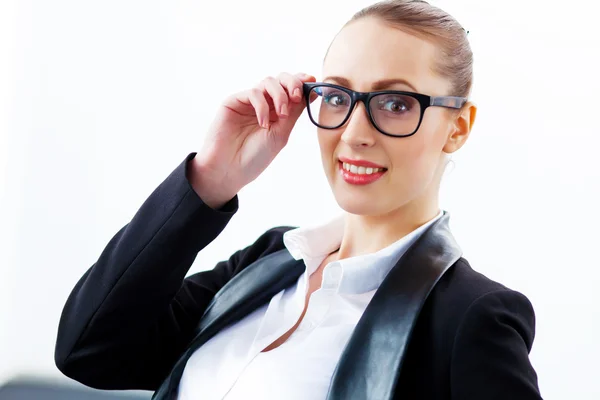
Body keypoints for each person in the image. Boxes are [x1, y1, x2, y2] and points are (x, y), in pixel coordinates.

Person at [54, 1, 543, 399]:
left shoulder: (470, 319)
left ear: (456, 127)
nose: (354, 134)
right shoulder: (271, 264)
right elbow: (89, 350)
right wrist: (209, 180)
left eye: (396, 104)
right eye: (337, 97)